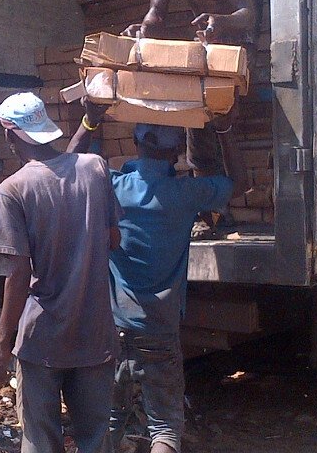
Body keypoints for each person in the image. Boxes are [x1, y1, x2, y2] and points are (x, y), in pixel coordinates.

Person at [67, 103, 249, 453]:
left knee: (106, 422)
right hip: (160, 330)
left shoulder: (112, 184)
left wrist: (91, 118)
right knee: (164, 427)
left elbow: (66, 166)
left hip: (113, 326)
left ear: (136, 142)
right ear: (176, 150)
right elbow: (238, 183)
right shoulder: (186, 194)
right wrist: (224, 129)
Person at [0, 92, 121, 452]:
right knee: (95, 439)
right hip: (94, 334)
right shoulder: (95, 168)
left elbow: (17, 274)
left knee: (41, 440)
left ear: (9, 133)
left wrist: (1, 343)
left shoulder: (12, 191)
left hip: (43, 339)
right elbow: (114, 239)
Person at [122, 0, 264, 237]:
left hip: (238, 42)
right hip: (207, 41)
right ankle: (212, 213)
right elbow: (156, 11)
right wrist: (144, 28)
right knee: (196, 125)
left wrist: (221, 21)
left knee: (220, 118)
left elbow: (248, 14)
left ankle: (218, 208)